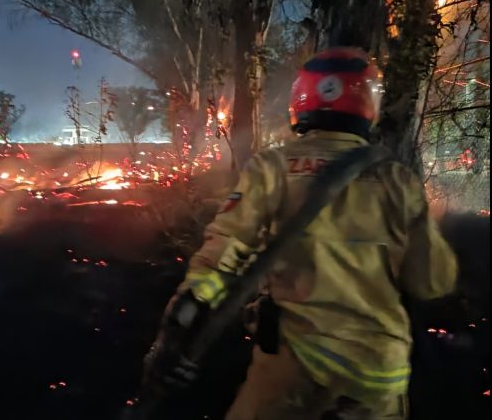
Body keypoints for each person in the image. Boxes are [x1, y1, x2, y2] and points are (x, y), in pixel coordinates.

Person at [143, 47, 459, 419]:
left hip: (295, 366)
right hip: (377, 371)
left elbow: (221, 254)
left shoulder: (272, 168)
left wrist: (180, 323)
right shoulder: (397, 180)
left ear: (301, 100)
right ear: (368, 105)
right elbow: (434, 282)